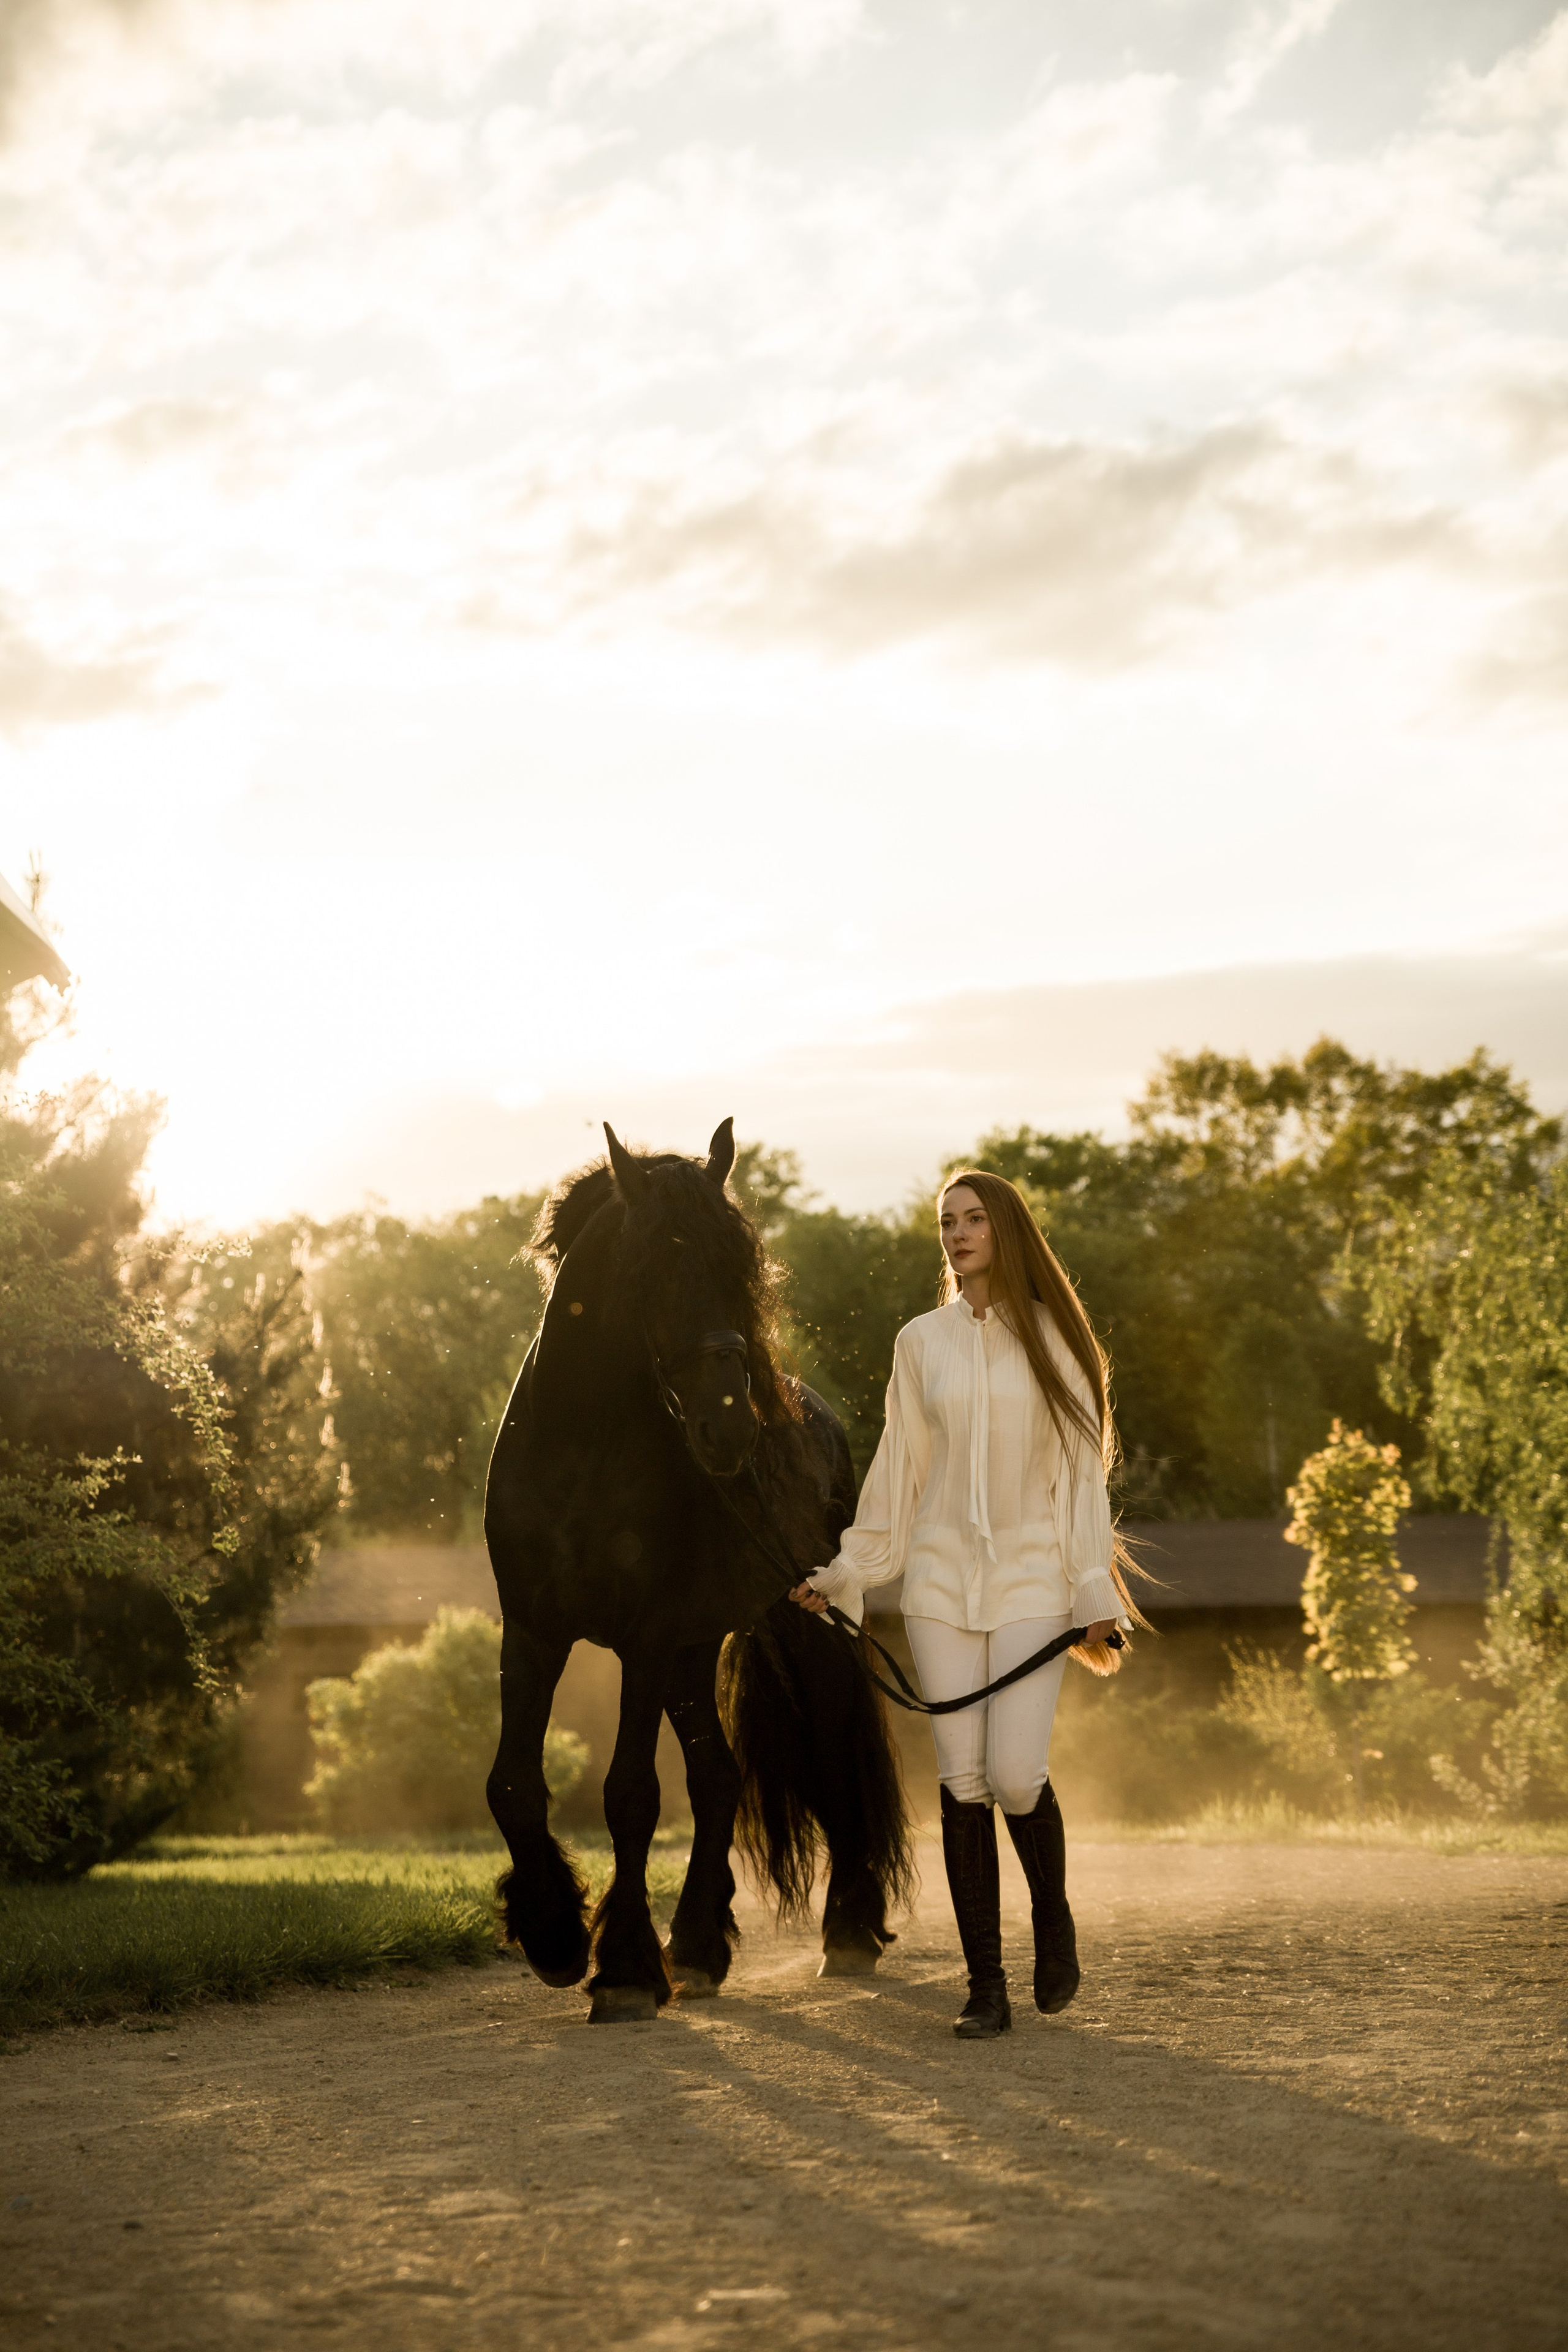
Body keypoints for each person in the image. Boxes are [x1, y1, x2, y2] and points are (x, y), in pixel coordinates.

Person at [791, 1169, 1143, 2040]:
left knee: (1018, 1776)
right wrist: (849, 1573)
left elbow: (1079, 1482)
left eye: (975, 1218)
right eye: (947, 1222)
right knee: (963, 1780)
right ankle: (986, 1987)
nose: (957, 1233)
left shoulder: (1059, 1339)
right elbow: (899, 1469)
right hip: (942, 1584)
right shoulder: (921, 1343)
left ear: (1007, 1230)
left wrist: (1093, 1590)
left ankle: (1052, 1921)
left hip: (1034, 1583)